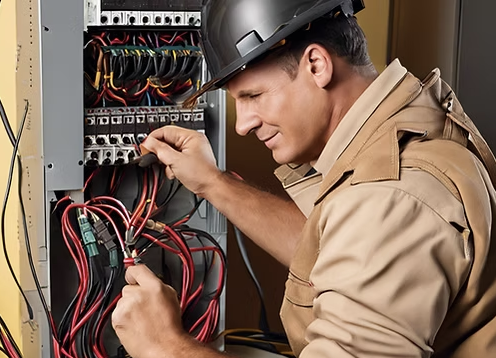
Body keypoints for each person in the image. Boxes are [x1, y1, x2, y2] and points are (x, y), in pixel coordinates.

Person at [111, 0, 496, 357]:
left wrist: (165, 346)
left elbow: (374, 227)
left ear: (316, 65)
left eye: (253, 96)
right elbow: (340, 249)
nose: (242, 125)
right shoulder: (410, 127)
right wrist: (211, 182)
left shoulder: (389, 199)